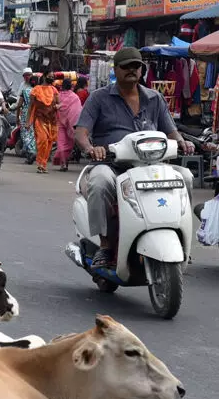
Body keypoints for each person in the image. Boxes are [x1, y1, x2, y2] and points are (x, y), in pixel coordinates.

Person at [74, 47, 195, 269]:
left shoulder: (155, 98)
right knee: (99, 182)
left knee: (185, 177)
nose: (132, 70)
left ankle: (179, 236)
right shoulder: (99, 98)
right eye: (126, 66)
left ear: (142, 70)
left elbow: (171, 131)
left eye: (136, 66)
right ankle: (105, 245)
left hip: (151, 164)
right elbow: (80, 132)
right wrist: (91, 148)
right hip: (112, 165)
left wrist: (182, 142)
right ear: (116, 69)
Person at [28, 73, 59, 174]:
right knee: (42, 140)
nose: (52, 78)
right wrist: (28, 121)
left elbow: (58, 103)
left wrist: (58, 106)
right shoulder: (36, 90)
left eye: (53, 77)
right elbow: (31, 106)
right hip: (39, 118)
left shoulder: (54, 90)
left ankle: (43, 165)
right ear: (45, 77)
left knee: (49, 143)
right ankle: (40, 163)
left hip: (51, 120)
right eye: (50, 76)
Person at [55, 78, 83, 171]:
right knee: (68, 144)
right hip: (71, 124)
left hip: (60, 122)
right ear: (71, 86)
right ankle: (65, 162)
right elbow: (77, 111)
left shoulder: (58, 95)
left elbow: (54, 107)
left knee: (61, 143)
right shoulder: (74, 97)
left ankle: (63, 163)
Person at [14, 74, 37, 161]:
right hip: (37, 114)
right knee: (34, 134)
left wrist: (12, 111)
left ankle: (31, 151)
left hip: (25, 114)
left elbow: (19, 105)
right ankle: (30, 154)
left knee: (25, 134)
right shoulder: (40, 91)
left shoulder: (24, 91)